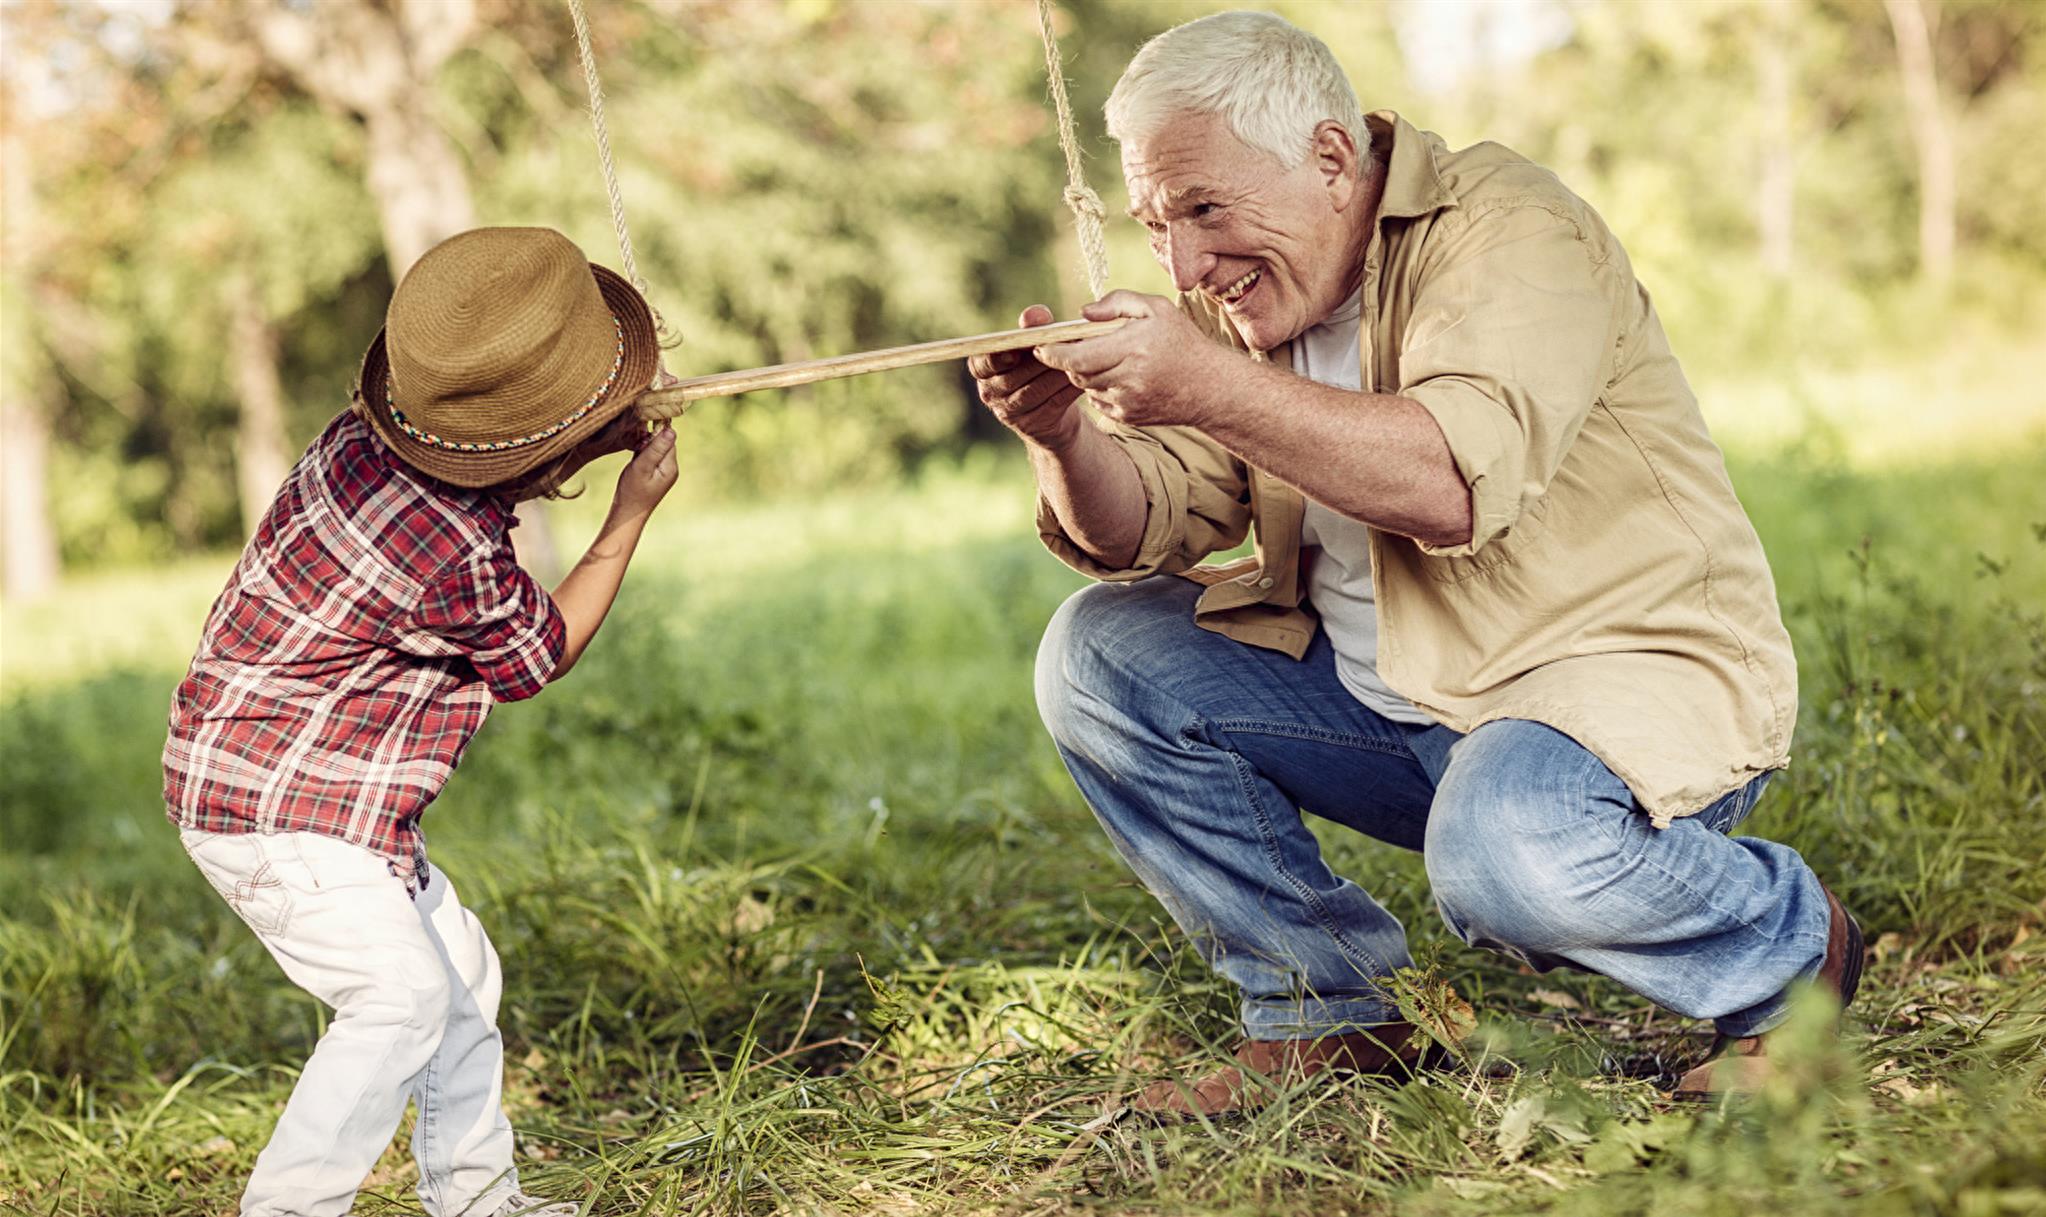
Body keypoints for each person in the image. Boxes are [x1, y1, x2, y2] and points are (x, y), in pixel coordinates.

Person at [970, 11, 1862, 1118]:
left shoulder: (1510, 226)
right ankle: (1328, 1007)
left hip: (1615, 688)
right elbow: (1143, 525)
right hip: (1399, 706)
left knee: (1503, 848)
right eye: (1156, 224)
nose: (1187, 264)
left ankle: (1787, 946)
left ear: (1330, 157)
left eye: (1204, 210)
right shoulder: (1246, 289)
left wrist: (1204, 381)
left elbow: (1449, 484)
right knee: (1100, 651)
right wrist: (1060, 434)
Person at [163, 226, 677, 1216]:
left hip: (300, 784)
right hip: (275, 810)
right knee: (400, 995)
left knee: (460, 978)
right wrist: (629, 512)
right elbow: (538, 656)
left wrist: (586, 427)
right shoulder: (452, 549)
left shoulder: (363, 439)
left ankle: (479, 1201)